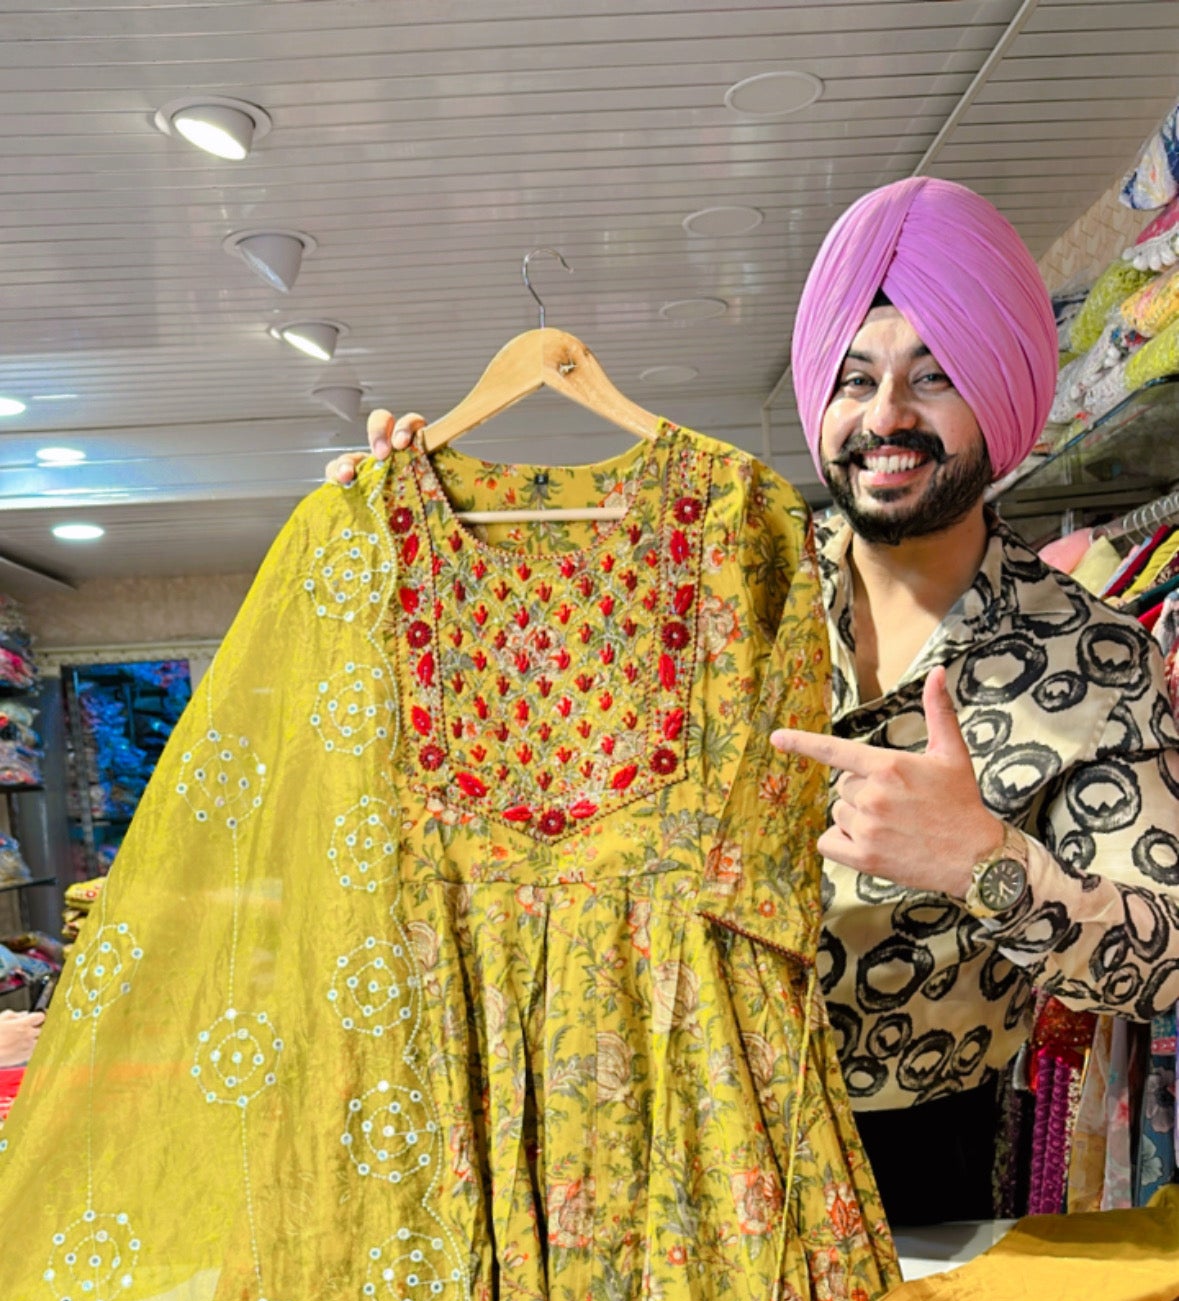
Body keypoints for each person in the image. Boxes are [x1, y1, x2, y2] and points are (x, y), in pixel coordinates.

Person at [326, 177, 1179, 1225]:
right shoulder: (701, 582)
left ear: (1001, 395)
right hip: (663, 1148)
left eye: (935, 378)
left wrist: (985, 865)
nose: (887, 418)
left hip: (925, 1168)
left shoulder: (1094, 661)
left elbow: (1168, 955)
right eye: (856, 378)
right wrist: (414, 547)